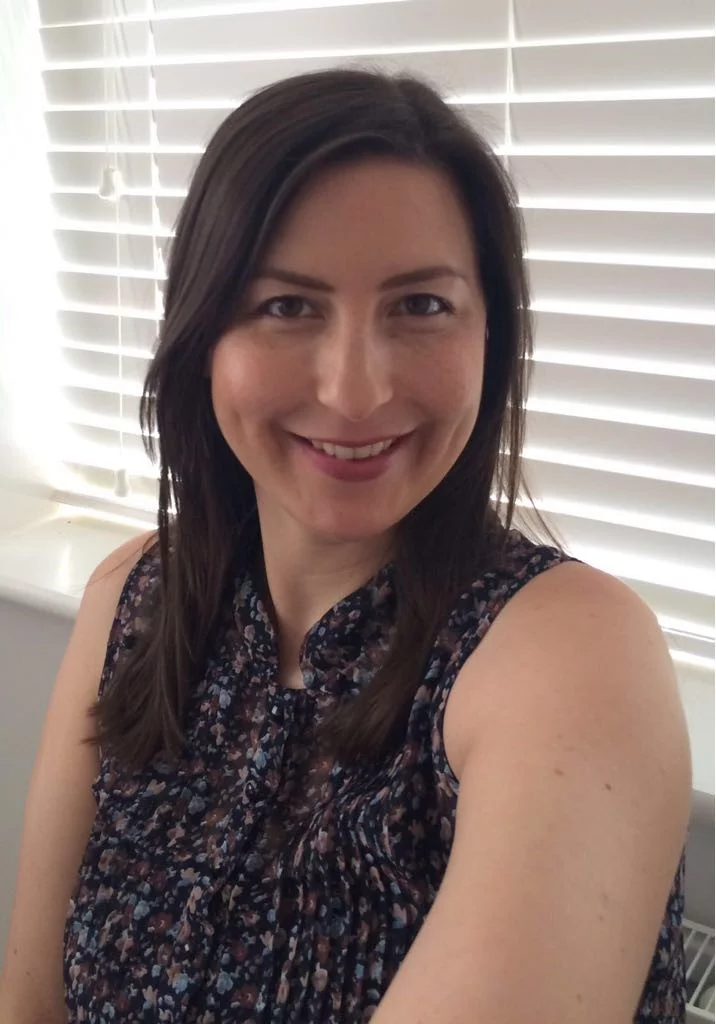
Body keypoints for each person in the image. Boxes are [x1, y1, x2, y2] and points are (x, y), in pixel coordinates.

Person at [0, 68, 691, 1024]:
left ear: (492, 333)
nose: (355, 392)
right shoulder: (133, 597)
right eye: (288, 306)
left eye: (421, 306)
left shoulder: (570, 653)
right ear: (205, 334)